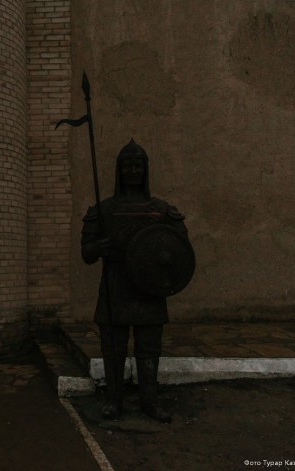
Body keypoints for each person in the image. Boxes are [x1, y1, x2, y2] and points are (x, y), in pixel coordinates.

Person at [80, 139, 190, 423]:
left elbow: (179, 249)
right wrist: (98, 247)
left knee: (149, 349)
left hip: (148, 289)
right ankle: (113, 400)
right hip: (115, 287)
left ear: (145, 169)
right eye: (127, 165)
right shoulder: (103, 210)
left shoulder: (161, 210)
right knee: (113, 350)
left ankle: (149, 402)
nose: (132, 170)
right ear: (119, 170)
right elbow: (86, 253)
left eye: (138, 165)